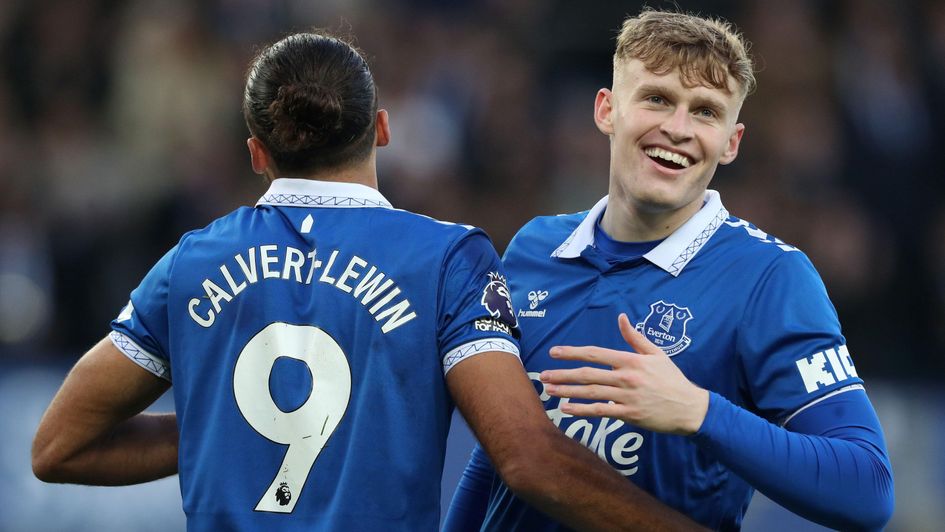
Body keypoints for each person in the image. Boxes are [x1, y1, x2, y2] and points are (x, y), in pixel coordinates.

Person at [30, 32, 703, 531]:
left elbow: (60, 447)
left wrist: (232, 426)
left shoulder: (188, 264)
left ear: (257, 153)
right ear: (380, 129)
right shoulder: (446, 259)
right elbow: (526, 458)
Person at [445, 9, 894, 532]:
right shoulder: (534, 248)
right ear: (607, 109)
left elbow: (869, 488)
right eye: (657, 98)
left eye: (705, 111)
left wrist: (699, 412)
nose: (677, 129)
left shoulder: (771, 279)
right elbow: (503, 454)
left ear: (732, 142)